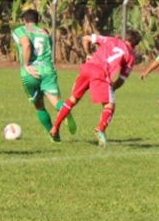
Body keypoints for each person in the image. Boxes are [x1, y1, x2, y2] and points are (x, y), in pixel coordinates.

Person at [49, 29, 141, 148]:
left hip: (87, 68)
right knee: (109, 106)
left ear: (125, 37)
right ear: (135, 45)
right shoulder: (130, 55)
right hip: (101, 73)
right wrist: (113, 88)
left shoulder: (111, 40)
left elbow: (85, 38)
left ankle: (55, 127)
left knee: (73, 99)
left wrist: (88, 53)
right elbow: (122, 78)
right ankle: (100, 128)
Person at [12, 8, 75, 138]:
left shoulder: (20, 30)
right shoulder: (45, 32)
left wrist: (26, 64)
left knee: (39, 106)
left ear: (24, 21)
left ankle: (54, 135)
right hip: (47, 70)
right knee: (55, 101)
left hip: (31, 72)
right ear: (38, 20)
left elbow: (26, 44)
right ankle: (65, 111)